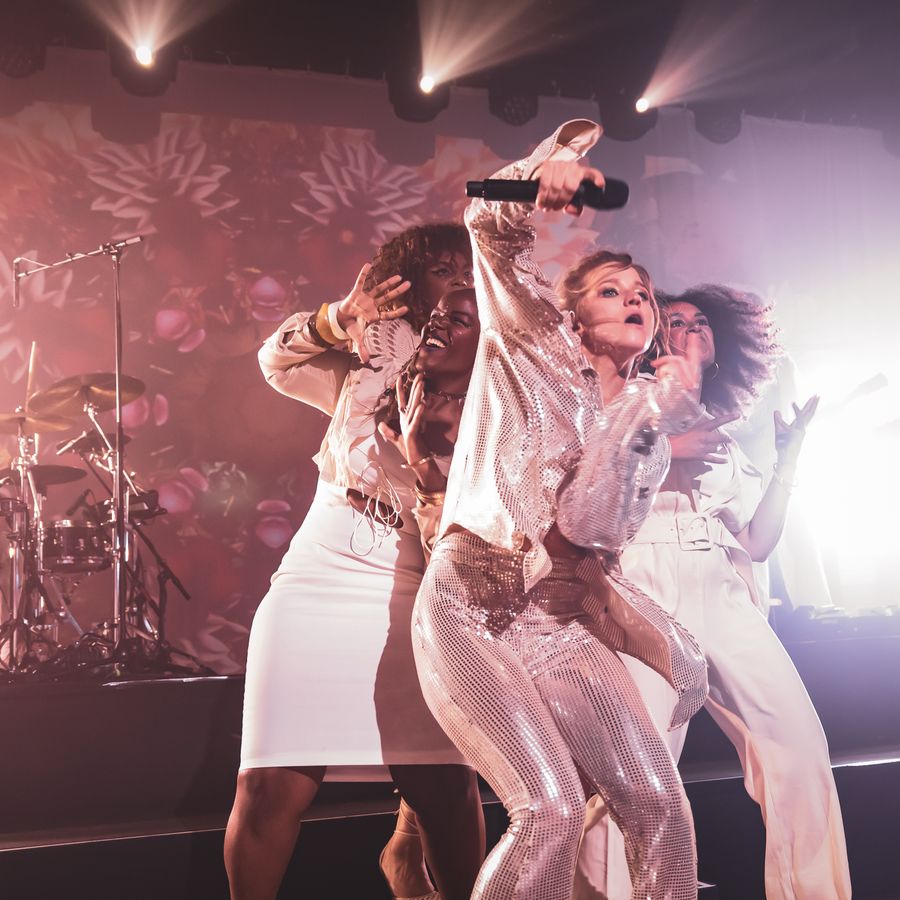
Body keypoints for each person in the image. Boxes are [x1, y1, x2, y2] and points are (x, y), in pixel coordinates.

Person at [410, 120, 709, 900]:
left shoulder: (646, 428)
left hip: (558, 620)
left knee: (662, 808)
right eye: (612, 290)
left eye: (643, 294)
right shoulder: (531, 339)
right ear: (573, 315)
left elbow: (588, 526)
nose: (636, 299)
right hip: (469, 600)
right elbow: (487, 227)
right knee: (549, 811)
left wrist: (644, 412)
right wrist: (540, 173)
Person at [224, 225, 486, 900]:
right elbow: (275, 360)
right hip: (320, 569)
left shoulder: (500, 396)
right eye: (442, 271)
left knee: (442, 784)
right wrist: (338, 318)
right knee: (269, 780)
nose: (457, 284)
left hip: (422, 584)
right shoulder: (362, 366)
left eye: (468, 273)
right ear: (408, 286)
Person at [574, 285, 852, 900]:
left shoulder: (723, 439)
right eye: (674, 319)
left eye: (701, 321)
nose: (690, 327)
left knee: (798, 749)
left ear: (719, 348)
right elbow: (585, 499)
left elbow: (756, 542)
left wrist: (787, 462)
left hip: (721, 585)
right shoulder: (619, 404)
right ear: (653, 338)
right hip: (642, 584)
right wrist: (663, 446)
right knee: (632, 770)